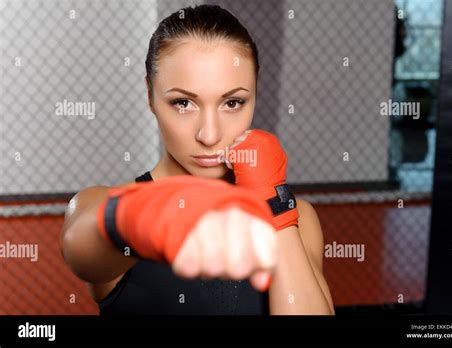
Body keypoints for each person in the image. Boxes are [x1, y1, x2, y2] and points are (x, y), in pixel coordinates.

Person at [60, 4, 334, 315]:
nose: (209, 134)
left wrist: (276, 208)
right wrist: (148, 217)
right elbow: (79, 247)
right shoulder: (96, 204)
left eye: (232, 102)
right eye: (183, 103)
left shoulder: (299, 217)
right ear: (150, 96)